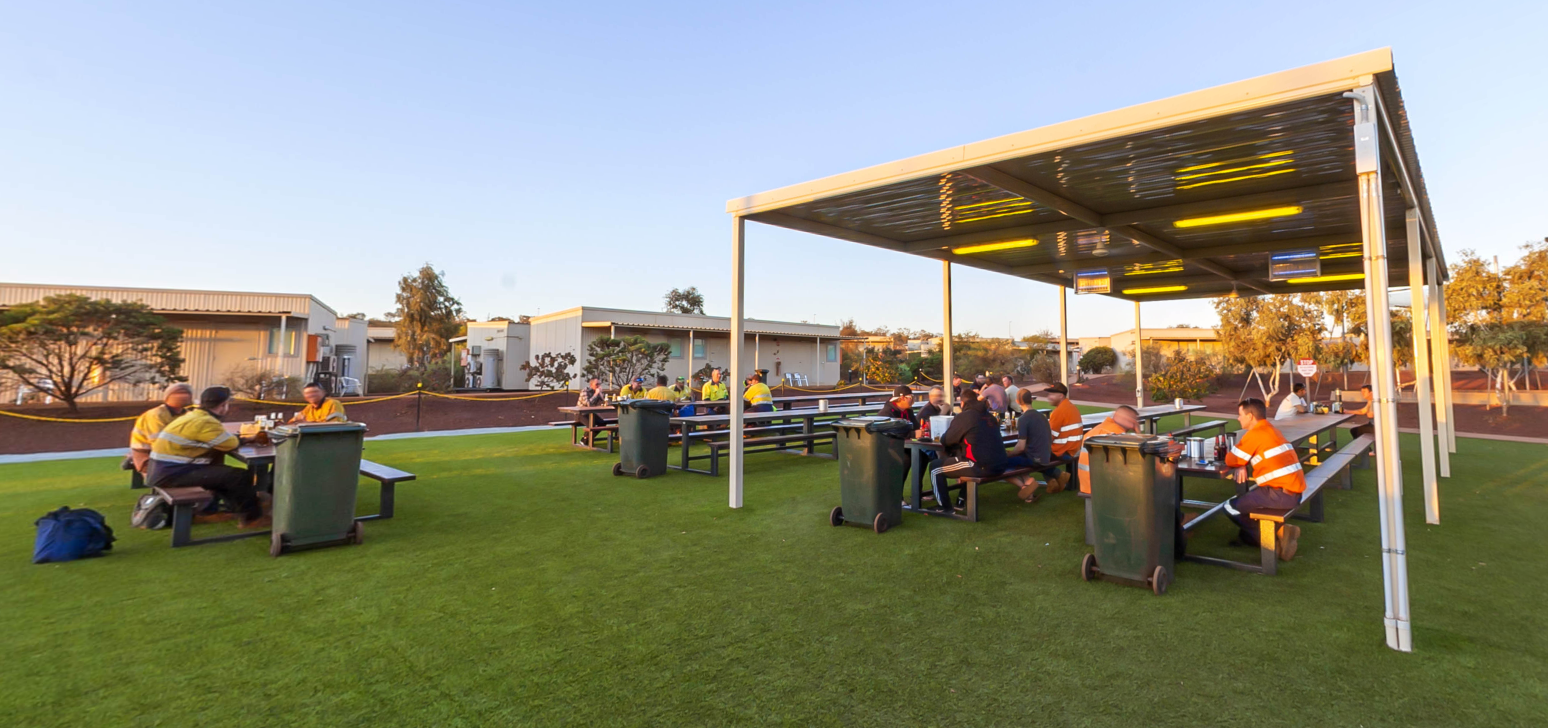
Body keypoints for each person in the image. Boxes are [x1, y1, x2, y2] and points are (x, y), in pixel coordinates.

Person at [148, 386, 268, 528]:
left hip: (162, 470)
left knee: (224, 474)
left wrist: (244, 439)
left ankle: (238, 508)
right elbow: (229, 444)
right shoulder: (206, 422)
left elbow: (220, 440)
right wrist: (247, 439)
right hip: (172, 473)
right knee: (239, 476)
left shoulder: (193, 416)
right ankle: (252, 519)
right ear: (223, 405)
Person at [1222, 398, 1304, 561]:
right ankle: (1270, 535)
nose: (1238, 419)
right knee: (1247, 503)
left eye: (1240, 415)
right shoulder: (1271, 430)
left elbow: (1231, 459)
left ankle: (1273, 539)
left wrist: (1240, 463)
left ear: (1250, 416)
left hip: (1279, 495)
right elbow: (1241, 459)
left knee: (1230, 507)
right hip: (1294, 492)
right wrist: (1242, 463)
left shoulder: (1255, 434)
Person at [929, 390, 1024, 512]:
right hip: (1000, 464)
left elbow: (946, 440)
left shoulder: (965, 416)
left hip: (981, 465)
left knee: (935, 468)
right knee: (963, 461)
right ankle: (961, 500)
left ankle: (944, 507)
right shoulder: (989, 416)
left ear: (962, 403)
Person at [1006, 389, 1065, 501]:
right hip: (1045, 456)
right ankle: (1029, 490)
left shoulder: (1024, 419)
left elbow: (1021, 447)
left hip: (1034, 459)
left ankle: (1024, 486)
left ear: (1017, 401)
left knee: (1002, 463)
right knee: (1019, 460)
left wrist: (1011, 454)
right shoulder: (1042, 416)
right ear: (1031, 400)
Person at [128, 383, 194, 475]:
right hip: (148, 457)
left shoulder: (189, 415)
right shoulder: (156, 415)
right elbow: (158, 444)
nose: (183, 396)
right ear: (168, 396)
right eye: (179, 393)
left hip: (174, 456)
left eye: (186, 393)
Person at [1077, 405, 1139, 494]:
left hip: (1087, 484)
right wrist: (1138, 432)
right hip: (1102, 487)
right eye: (1135, 421)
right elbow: (1136, 458)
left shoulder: (1100, 428)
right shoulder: (1117, 434)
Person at [1044, 383, 1083, 478]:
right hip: (1074, 448)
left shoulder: (1059, 412)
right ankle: (1053, 481)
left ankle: (1059, 475)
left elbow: (1049, 437)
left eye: (1051, 394)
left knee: (1030, 457)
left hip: (1062, 450)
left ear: (1061, 396)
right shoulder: (1072, 407)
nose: (1048, 397)